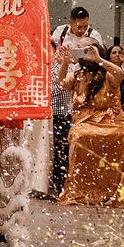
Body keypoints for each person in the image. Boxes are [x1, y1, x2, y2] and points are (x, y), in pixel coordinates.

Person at [59, 44, 124, 206]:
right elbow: (62, 83)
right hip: (85, 120)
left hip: (111, 120)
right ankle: (82, 191)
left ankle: (115, 192)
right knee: (79, 136)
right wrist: (65, 63)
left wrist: (99, 59)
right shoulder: (78, 75)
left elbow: (120, 75)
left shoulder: (108, 74)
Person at [51, 44, 73, 196]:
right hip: (55, 115)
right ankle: (58, 183)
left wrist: (66, 64)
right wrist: (63, 64)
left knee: (67, 150)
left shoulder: (72, 68)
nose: (59, 55)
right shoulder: (48, 70)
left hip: (69, 114)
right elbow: (59, 87)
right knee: (58, 151)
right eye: (57, 52)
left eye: (62, 52)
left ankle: (66, 182)